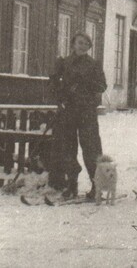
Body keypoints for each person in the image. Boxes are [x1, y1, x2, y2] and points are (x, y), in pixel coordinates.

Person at [49, 32, 107, 199]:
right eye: (80, 43)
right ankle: (72, 184)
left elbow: (102, 86)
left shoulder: (94, 65)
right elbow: (53, 83)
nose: (83, 46)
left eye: (86, 44)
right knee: (68, 148)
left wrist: (86, 83)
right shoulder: (64, 63)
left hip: (87, 112)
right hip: (68, 111)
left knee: (91, 148)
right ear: (73, 44)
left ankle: (96, 186)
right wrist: (60, 97)